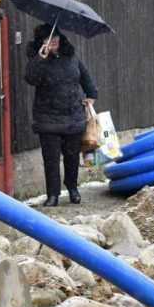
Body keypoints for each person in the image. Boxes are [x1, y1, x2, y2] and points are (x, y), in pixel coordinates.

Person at [24, 23, 98, 206]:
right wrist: (41, 58)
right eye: (48, 39)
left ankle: (72, 188)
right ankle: (53, 195)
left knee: (72, 156)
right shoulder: (38, 58)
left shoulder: (71, 55)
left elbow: (85, 74)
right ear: (41, 42)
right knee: (51, 159)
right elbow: (30, 78)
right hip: (47, 117)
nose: (53, 41)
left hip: (73, 114)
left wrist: (91, 95)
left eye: (55, 37)